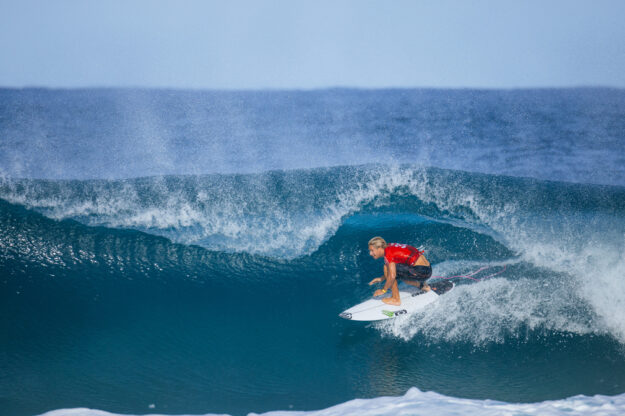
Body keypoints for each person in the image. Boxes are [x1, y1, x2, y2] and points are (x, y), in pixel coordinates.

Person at [367, 236, 432, 306]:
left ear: (379, 248)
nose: (370, 253)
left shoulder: (388, 254)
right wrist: (381, 278)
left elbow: (392, 275)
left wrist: (383, 290)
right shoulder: (389, 246)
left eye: (372, 250)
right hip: (427, 270)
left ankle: (396, 299)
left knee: (387, 268)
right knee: (399, 274)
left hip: (420, 272)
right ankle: (423, 285)